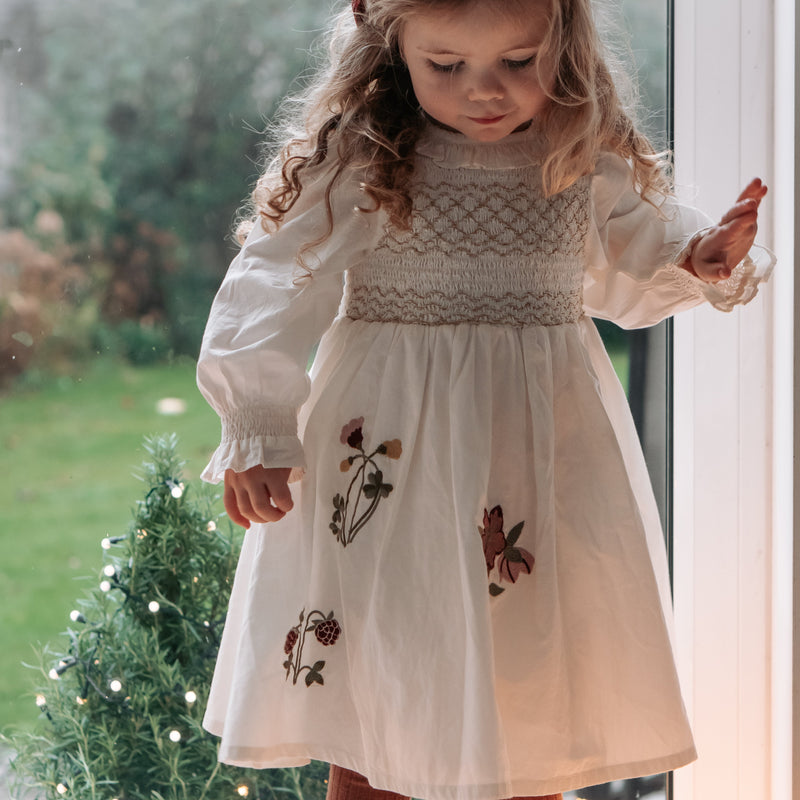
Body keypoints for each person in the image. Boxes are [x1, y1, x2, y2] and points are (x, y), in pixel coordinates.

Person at [196, 1, 773, 799]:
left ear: (564, 44)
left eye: (518, 60)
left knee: (527, 687)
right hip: (390, 466)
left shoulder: (576, 159)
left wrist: (702, 255)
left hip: (532, 454)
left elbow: (635, 252)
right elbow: (274, 279)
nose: (485, 91)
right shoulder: (370, 159)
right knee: (383, 669)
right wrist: (258, 425)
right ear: (393, 44)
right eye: (447, 66)